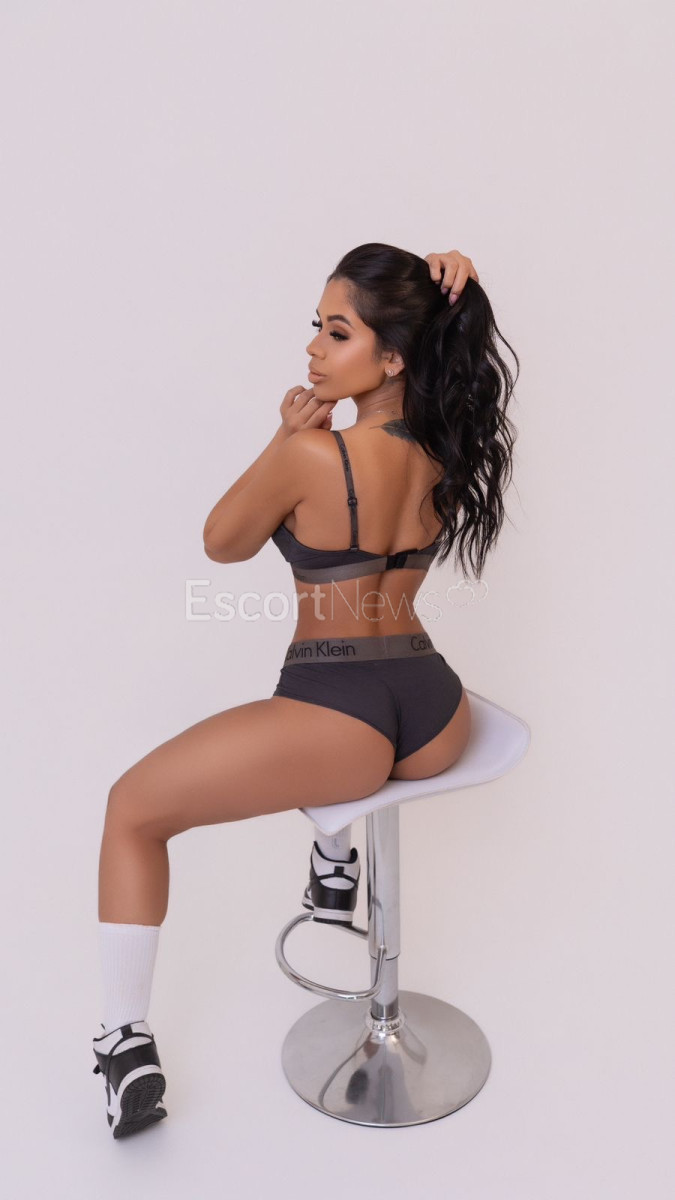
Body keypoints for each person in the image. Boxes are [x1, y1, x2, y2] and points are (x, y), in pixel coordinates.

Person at [92, 244, 519, 1137]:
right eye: (315, 329)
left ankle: (122, 1042)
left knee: (131, 809)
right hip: (434, 711)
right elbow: (439, 336)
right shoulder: (448, 443)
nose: (314, 350)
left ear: (391, 356)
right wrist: (455, 278)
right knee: (303, 746)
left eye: (337, 332)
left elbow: (221, 542)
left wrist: (285, 438)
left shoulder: (313, 456)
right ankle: (333, 860)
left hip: (342, 718)